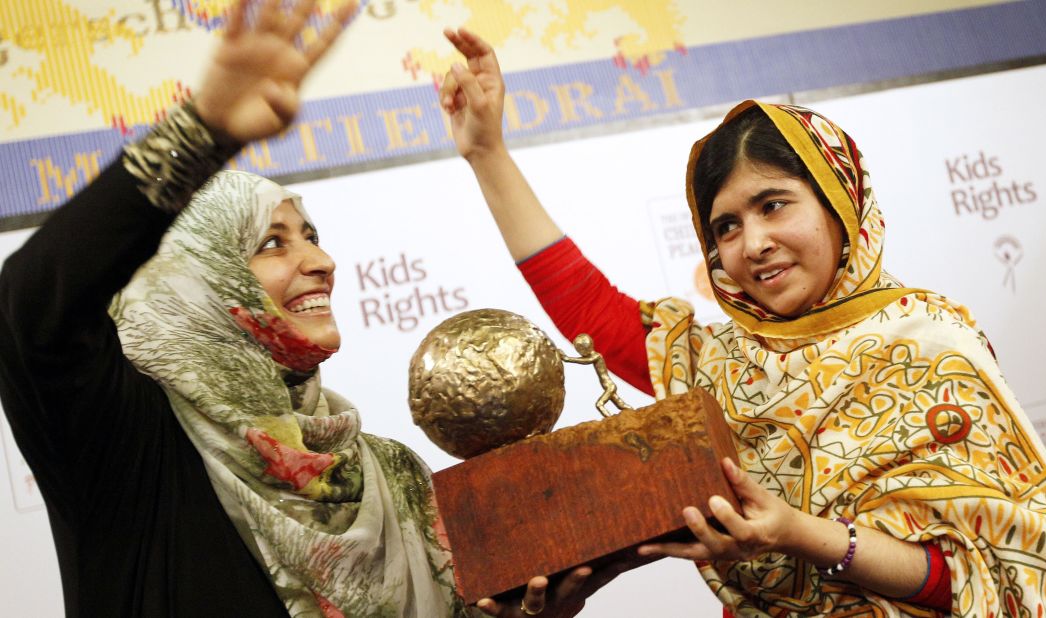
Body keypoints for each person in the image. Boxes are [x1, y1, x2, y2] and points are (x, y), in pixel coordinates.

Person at [439, 28, 1046, 616]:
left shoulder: (930, 347)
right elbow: (590, 311)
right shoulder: (716, 367)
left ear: (841, 204)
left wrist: (796, 532)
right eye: (725, 226)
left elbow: (983, 580)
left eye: (773, 205)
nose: (751, 243)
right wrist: (487, 154)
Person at [0, 3, 604, 616]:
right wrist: (203, 129)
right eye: (272, 242)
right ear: (197, 281)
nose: (321, 260)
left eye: (310, 234)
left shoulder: (388, 474)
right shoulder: (126, 445)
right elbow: (31, 306)